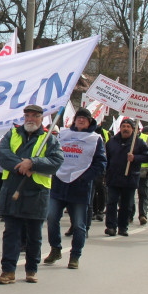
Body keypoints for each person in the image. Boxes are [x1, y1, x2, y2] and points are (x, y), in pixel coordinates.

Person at [0, 104, 64, 284]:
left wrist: (33, 163)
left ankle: (31, 269)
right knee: (11, 234)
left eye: (35, 116)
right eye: (27, 116)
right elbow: (4, 155)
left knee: (34, 235)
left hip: (37, 194)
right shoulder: (12, 134)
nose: (30, 119)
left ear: (42, 118)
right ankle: (8, 271)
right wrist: (22, 166)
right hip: (13, 190)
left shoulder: (49, 138)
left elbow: (56, 161)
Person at [44, 107, 105, 270]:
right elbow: (51, 154)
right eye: (79, 117)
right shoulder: (63, 135)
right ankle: (55, 249)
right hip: (59, 185)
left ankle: (75, 255)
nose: (81, 119)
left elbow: (101, 164)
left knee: (78, 225)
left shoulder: (95, 139)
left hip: (80, 188)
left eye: (85, 118)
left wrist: (85, 177)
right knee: (51, 218)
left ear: (90, 121)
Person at [103, 119, 148, 237]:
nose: (125, 128)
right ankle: (111, 226)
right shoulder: (112, 141)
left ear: (133, 129)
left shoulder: (138, 142)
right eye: (123, 126)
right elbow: (106, 158)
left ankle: (123, 227)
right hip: (113, 177)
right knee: (111, 203)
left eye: (128, 126)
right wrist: (105, 173)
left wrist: (135, 158)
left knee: (126, 205)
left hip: (130, 178)